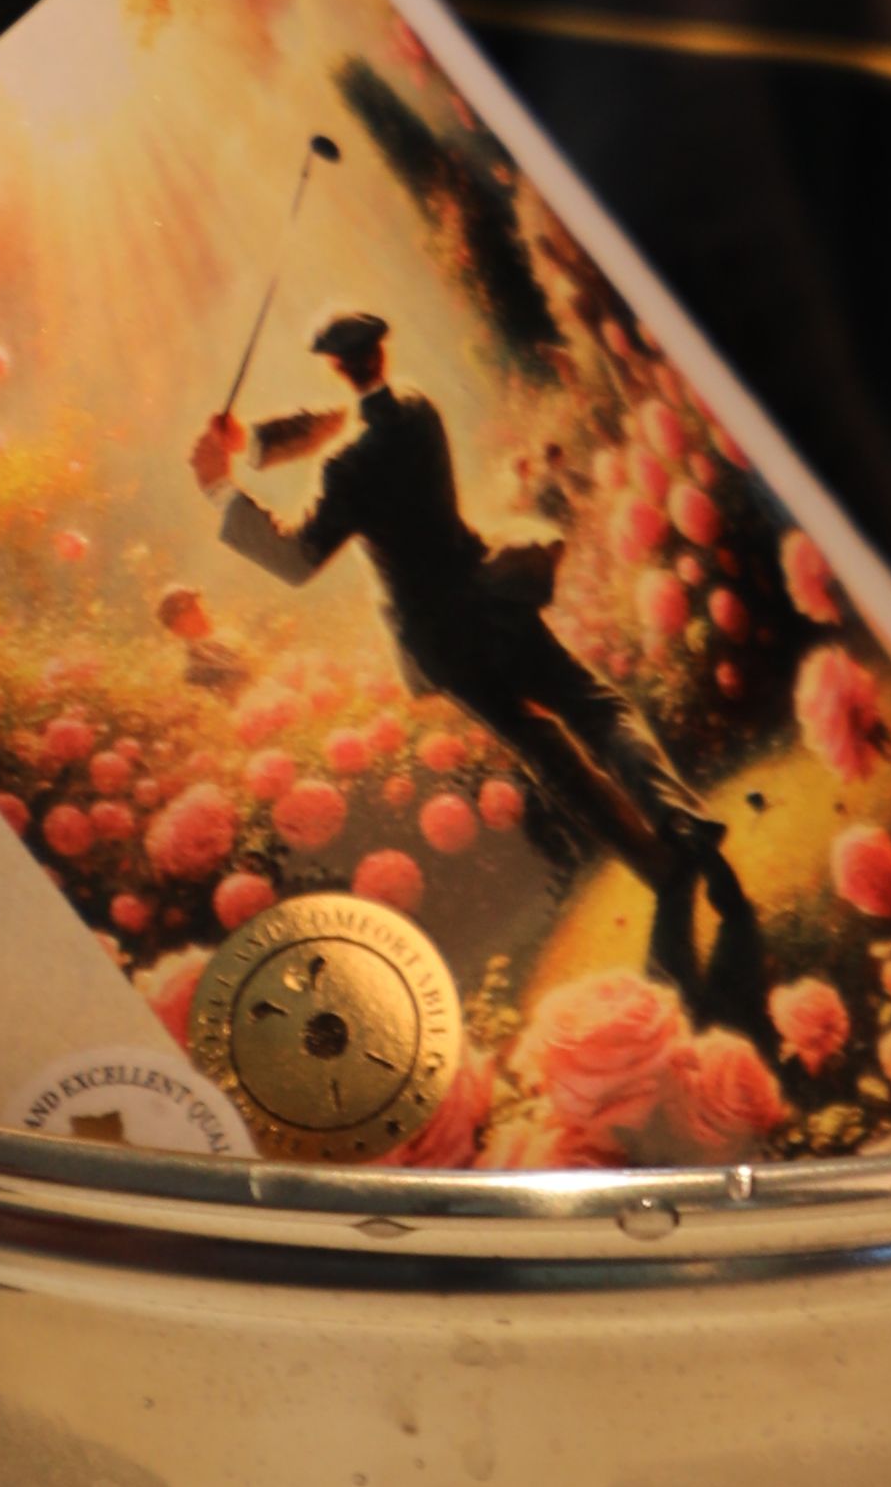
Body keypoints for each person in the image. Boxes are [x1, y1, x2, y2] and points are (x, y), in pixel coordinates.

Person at [217, 313, 768, 1025]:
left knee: (548, 754)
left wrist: (222, 488)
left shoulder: (345, 468)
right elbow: (357, 425)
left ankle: (659, 868)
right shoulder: (416, 409)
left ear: (335, 367)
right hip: (490, 595)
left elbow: (297, 557)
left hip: (441, 638)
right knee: (597, 708)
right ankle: (679, 819)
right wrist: (257, 440)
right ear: (379, 354)